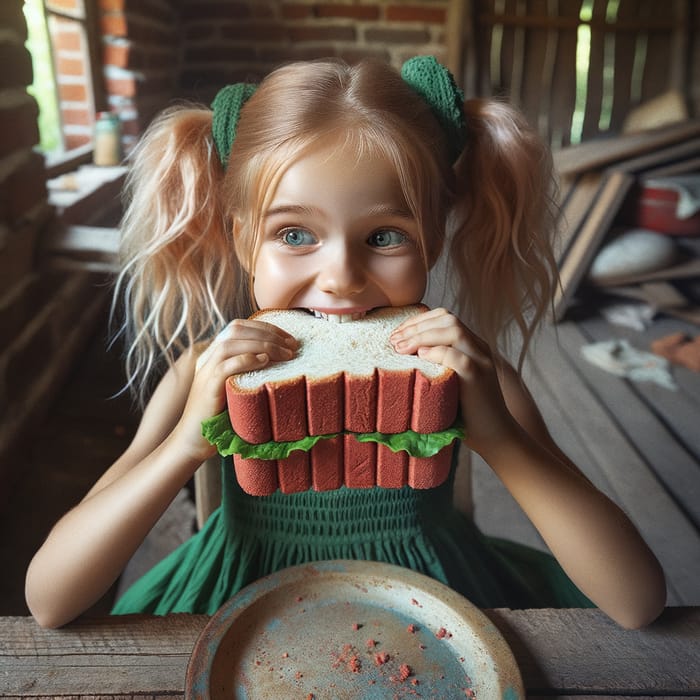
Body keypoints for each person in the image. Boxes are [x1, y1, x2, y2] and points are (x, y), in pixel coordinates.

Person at [25, 56, 666, 629]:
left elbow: (636, 600)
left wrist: (496, 435)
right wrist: (186, 443)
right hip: (239, 603)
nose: (341, 278)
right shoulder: (204, 371)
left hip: (434, 599)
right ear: (245, 237)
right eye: (295, 235)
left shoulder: (467, 369)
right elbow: (51, 598)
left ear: (434, 240)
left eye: (385, 236)